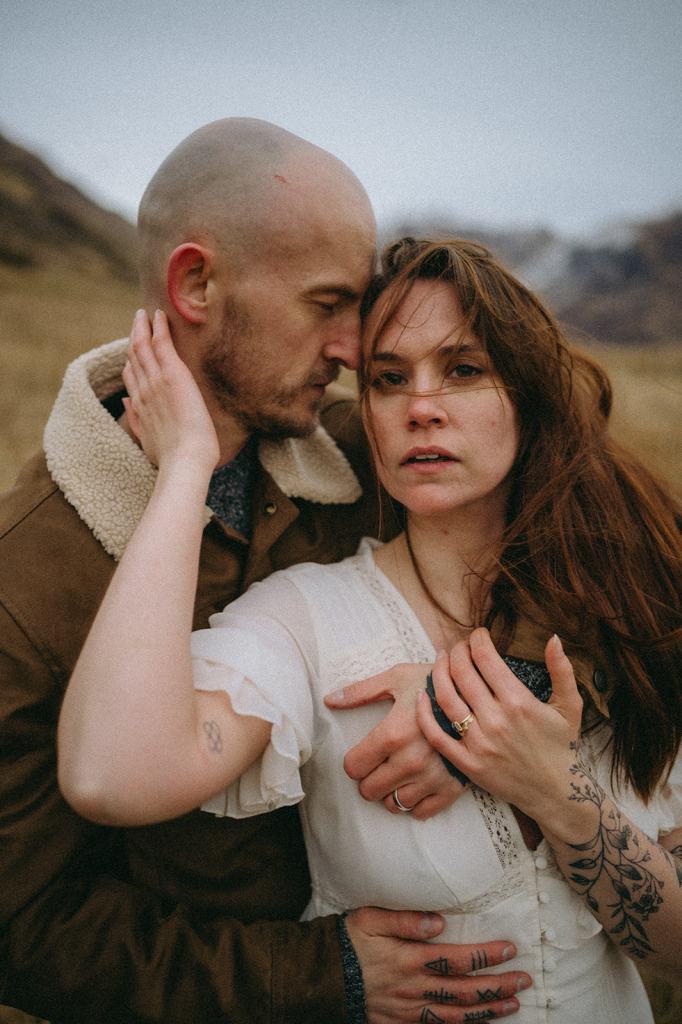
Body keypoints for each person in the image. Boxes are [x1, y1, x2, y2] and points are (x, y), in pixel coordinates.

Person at [59, 236, 682, 1023]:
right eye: (389, 380)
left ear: (526, 394)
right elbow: (109, 777)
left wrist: (554, 790)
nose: (421, 404)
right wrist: (188, 468)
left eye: (462, 369)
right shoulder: (304, 620)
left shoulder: (623, 611)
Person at [0, 122, 530, 1024]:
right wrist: (321, 975)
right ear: (196, 284)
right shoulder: (26, 580)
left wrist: (497, 686)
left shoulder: (367, 457)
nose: (354, 350)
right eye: (326, 304)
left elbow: (584, 549)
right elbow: (25, 926)